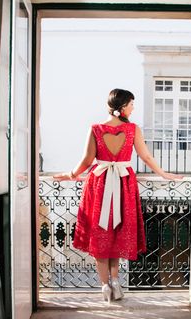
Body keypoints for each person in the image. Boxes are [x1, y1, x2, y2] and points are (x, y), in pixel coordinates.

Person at [54, 88, 183, 303]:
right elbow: (146, 156)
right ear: (122, 107)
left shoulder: (96, 129)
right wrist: (163, 173)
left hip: (100, 184)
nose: (133, 108)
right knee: (117, 232)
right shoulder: (133, 129)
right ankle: (116, 282)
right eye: (131, 104)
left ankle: (105, 285)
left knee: (100, 234)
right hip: (123, 184)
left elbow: (86, 161)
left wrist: (69, 175)